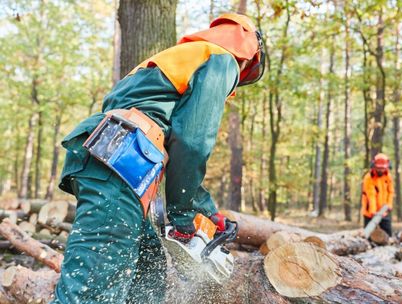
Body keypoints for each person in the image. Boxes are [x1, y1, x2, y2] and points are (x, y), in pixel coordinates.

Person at [51, 13, 265, 304]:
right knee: (92, 290)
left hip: (111, 161)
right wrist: (185, 215)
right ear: (248, 52)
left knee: (148, 270)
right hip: (120, 165)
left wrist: (205, 209)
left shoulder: (178, 59)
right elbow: (191, 141)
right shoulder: (221, 57)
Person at [361, 153, 394, 236]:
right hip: (370, 212)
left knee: (388, 234)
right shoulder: (369, 178)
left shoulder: (388, 177)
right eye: (378, 168)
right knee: (368, 236)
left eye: (382, 168)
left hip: (384, 211)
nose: (380, 170)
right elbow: (370, 195)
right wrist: (373, 211)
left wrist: (389, 204)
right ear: (374, 165)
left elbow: (390, 192)